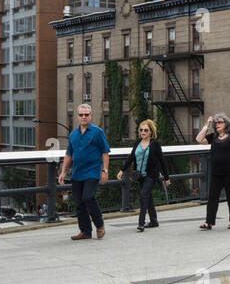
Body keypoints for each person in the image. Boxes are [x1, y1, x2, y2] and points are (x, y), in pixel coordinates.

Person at [58, 103, 111, 240]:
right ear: (77, 116)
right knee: (79, 203)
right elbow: (69, 154)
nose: (83, 117)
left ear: (90, 116)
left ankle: (99, 225)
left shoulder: (97, 132)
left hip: (92, 171)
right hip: (77, 173)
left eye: (86, 115)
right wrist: (63, 172)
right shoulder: (73, 134)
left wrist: (104, 170)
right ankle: (86, 231)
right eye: (81, 115)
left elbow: (105, 152)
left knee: (88, 197)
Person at [117, 118, 171, 232]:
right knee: (148, 197)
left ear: (151, 132)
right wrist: (122, 170)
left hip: (151, 175)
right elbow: (131, 157)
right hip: (140, 175)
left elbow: (162, 161)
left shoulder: (155, 144)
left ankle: (141, 223)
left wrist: (166, 177)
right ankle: (154, 221)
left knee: (143, 195)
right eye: (141, 130)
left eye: (146, 130)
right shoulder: (137, 142)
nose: (143, 132)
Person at [196, 114, 230, 229]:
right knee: (212, 197)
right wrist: (207, 124)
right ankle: (209, 222)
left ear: (226, 124)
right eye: (216, 123)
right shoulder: (213, 137)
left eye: (220, 122)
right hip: (216, 172)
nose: (217, 124)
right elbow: (199, 139)